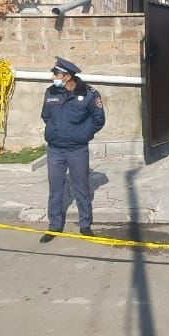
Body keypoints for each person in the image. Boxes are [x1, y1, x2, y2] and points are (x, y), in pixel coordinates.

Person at [39, 57, 105, 242]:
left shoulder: (89, 94)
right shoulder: (50, 92)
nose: (53, 77)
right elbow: (46, 116)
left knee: (81, 187)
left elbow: (98, 120)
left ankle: (85, 225)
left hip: (77, 150)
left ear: (67, 76)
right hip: (55, 149)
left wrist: (82, 134)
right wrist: (56, 131)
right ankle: (54, 226)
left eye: (56, 74)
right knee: (55, 188)